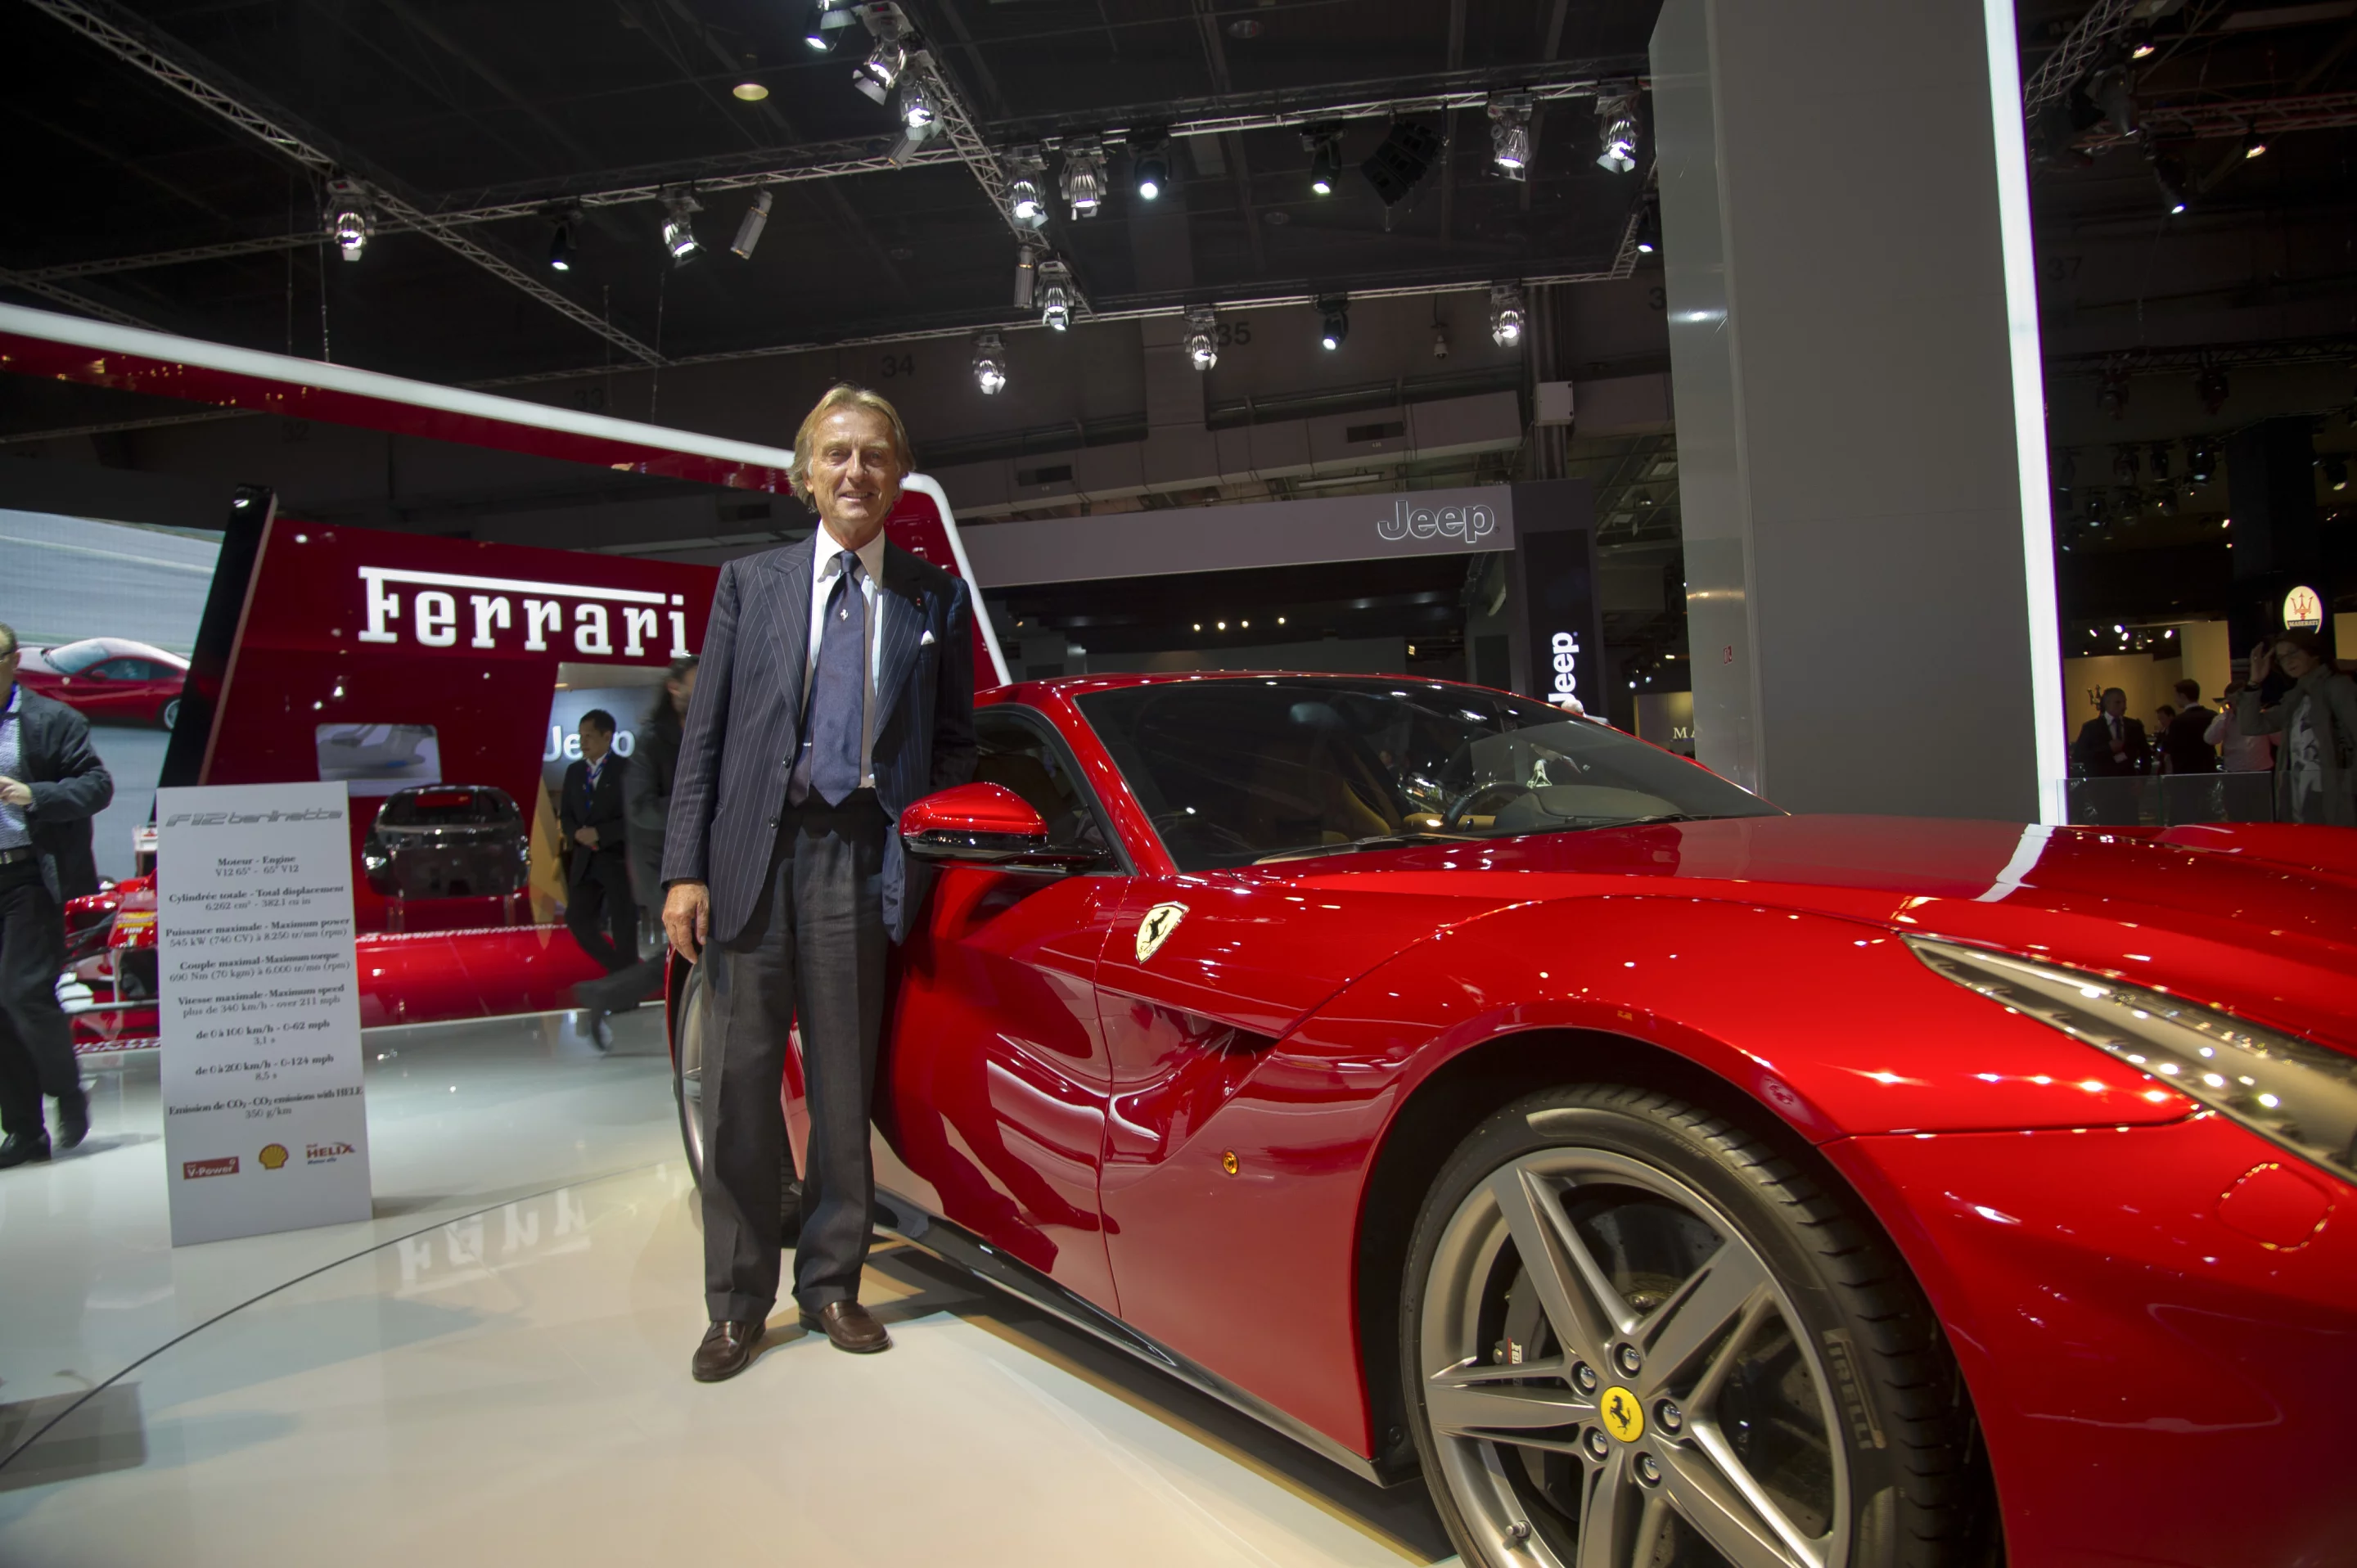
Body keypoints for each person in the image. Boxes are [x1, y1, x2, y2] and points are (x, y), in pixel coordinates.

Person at [663, 385, 975, 1378]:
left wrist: (937, 849)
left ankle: (833, 1285)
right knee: (742, 1095)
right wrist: (683, 869)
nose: (855, 472)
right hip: (755, 855)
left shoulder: (934, 596)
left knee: (844, 1091)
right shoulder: (750, 586)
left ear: (898, 475)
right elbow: (702, 740)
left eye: (875, 455)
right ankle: (738, 1300)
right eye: (837, 454)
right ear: (806, 474)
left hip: (862, 855)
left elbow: (957, 743)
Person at [0, 621, 113, 1168]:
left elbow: (97, 786)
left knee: (22, 991)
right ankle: (23, 1132)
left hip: (28, 877)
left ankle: (66, 1090)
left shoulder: (52, 720)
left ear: (12, 660)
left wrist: (34, 795)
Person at [575, 659, 697, 1048]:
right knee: (687, 943)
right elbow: (642, 809)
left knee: (684, 945)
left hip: (688, 858)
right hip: (657, 865)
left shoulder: (700, 733)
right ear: (674, 688)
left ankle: (606, 996)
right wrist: (699, 809)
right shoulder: (651, 741)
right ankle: (609, 996)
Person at [2239, 630, 2357, 826]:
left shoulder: (2338, 687)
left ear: (2312, 651)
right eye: (2281, 658)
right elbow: (2252, 726)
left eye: (2293, 653)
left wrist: (2348, 785)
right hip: (2301, 792)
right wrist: (2254, 682)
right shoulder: (2296, 698)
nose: (2288, 661)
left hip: (2334, 795)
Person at [559, 710, 636, 975]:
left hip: (616, 857)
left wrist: (601, 834)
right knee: (577, 919)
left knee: (624, 925)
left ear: (607, 736)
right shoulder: (575, 771)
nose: (583, 742)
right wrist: (576, 833)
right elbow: (566, 813)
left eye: (589, 736)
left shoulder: (628, 770)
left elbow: (634, 817)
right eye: (580, 736)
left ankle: (627, 987)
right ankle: (622, 971)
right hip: (585, 860)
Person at [2205, 681, 2275, 773]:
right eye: (2234, 701)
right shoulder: (2224, 719)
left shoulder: (2262, 715)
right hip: (2235, 770)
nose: (2238, 704)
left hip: (2262, 769)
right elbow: (2210, 739)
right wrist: (2226, 716)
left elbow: (2278, 740)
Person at [2161, 679, 2217, 775]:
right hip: (2208, 770)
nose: (2174, 699)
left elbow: (2169, 747)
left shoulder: (2178, 721)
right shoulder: (2212, 716)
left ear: (2183, 696)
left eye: (2176, 696)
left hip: (2185, 772)